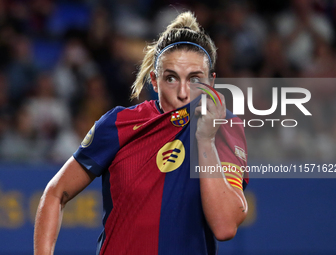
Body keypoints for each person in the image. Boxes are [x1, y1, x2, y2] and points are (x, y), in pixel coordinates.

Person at [34, 12, 248, 255]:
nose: (183, 92)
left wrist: (206, 140)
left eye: (195, 79)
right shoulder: (118, 123)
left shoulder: (223, 125)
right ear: (154, 81)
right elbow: (55, 193)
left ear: (211, 83)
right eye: (171, 78)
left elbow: (225, 226)